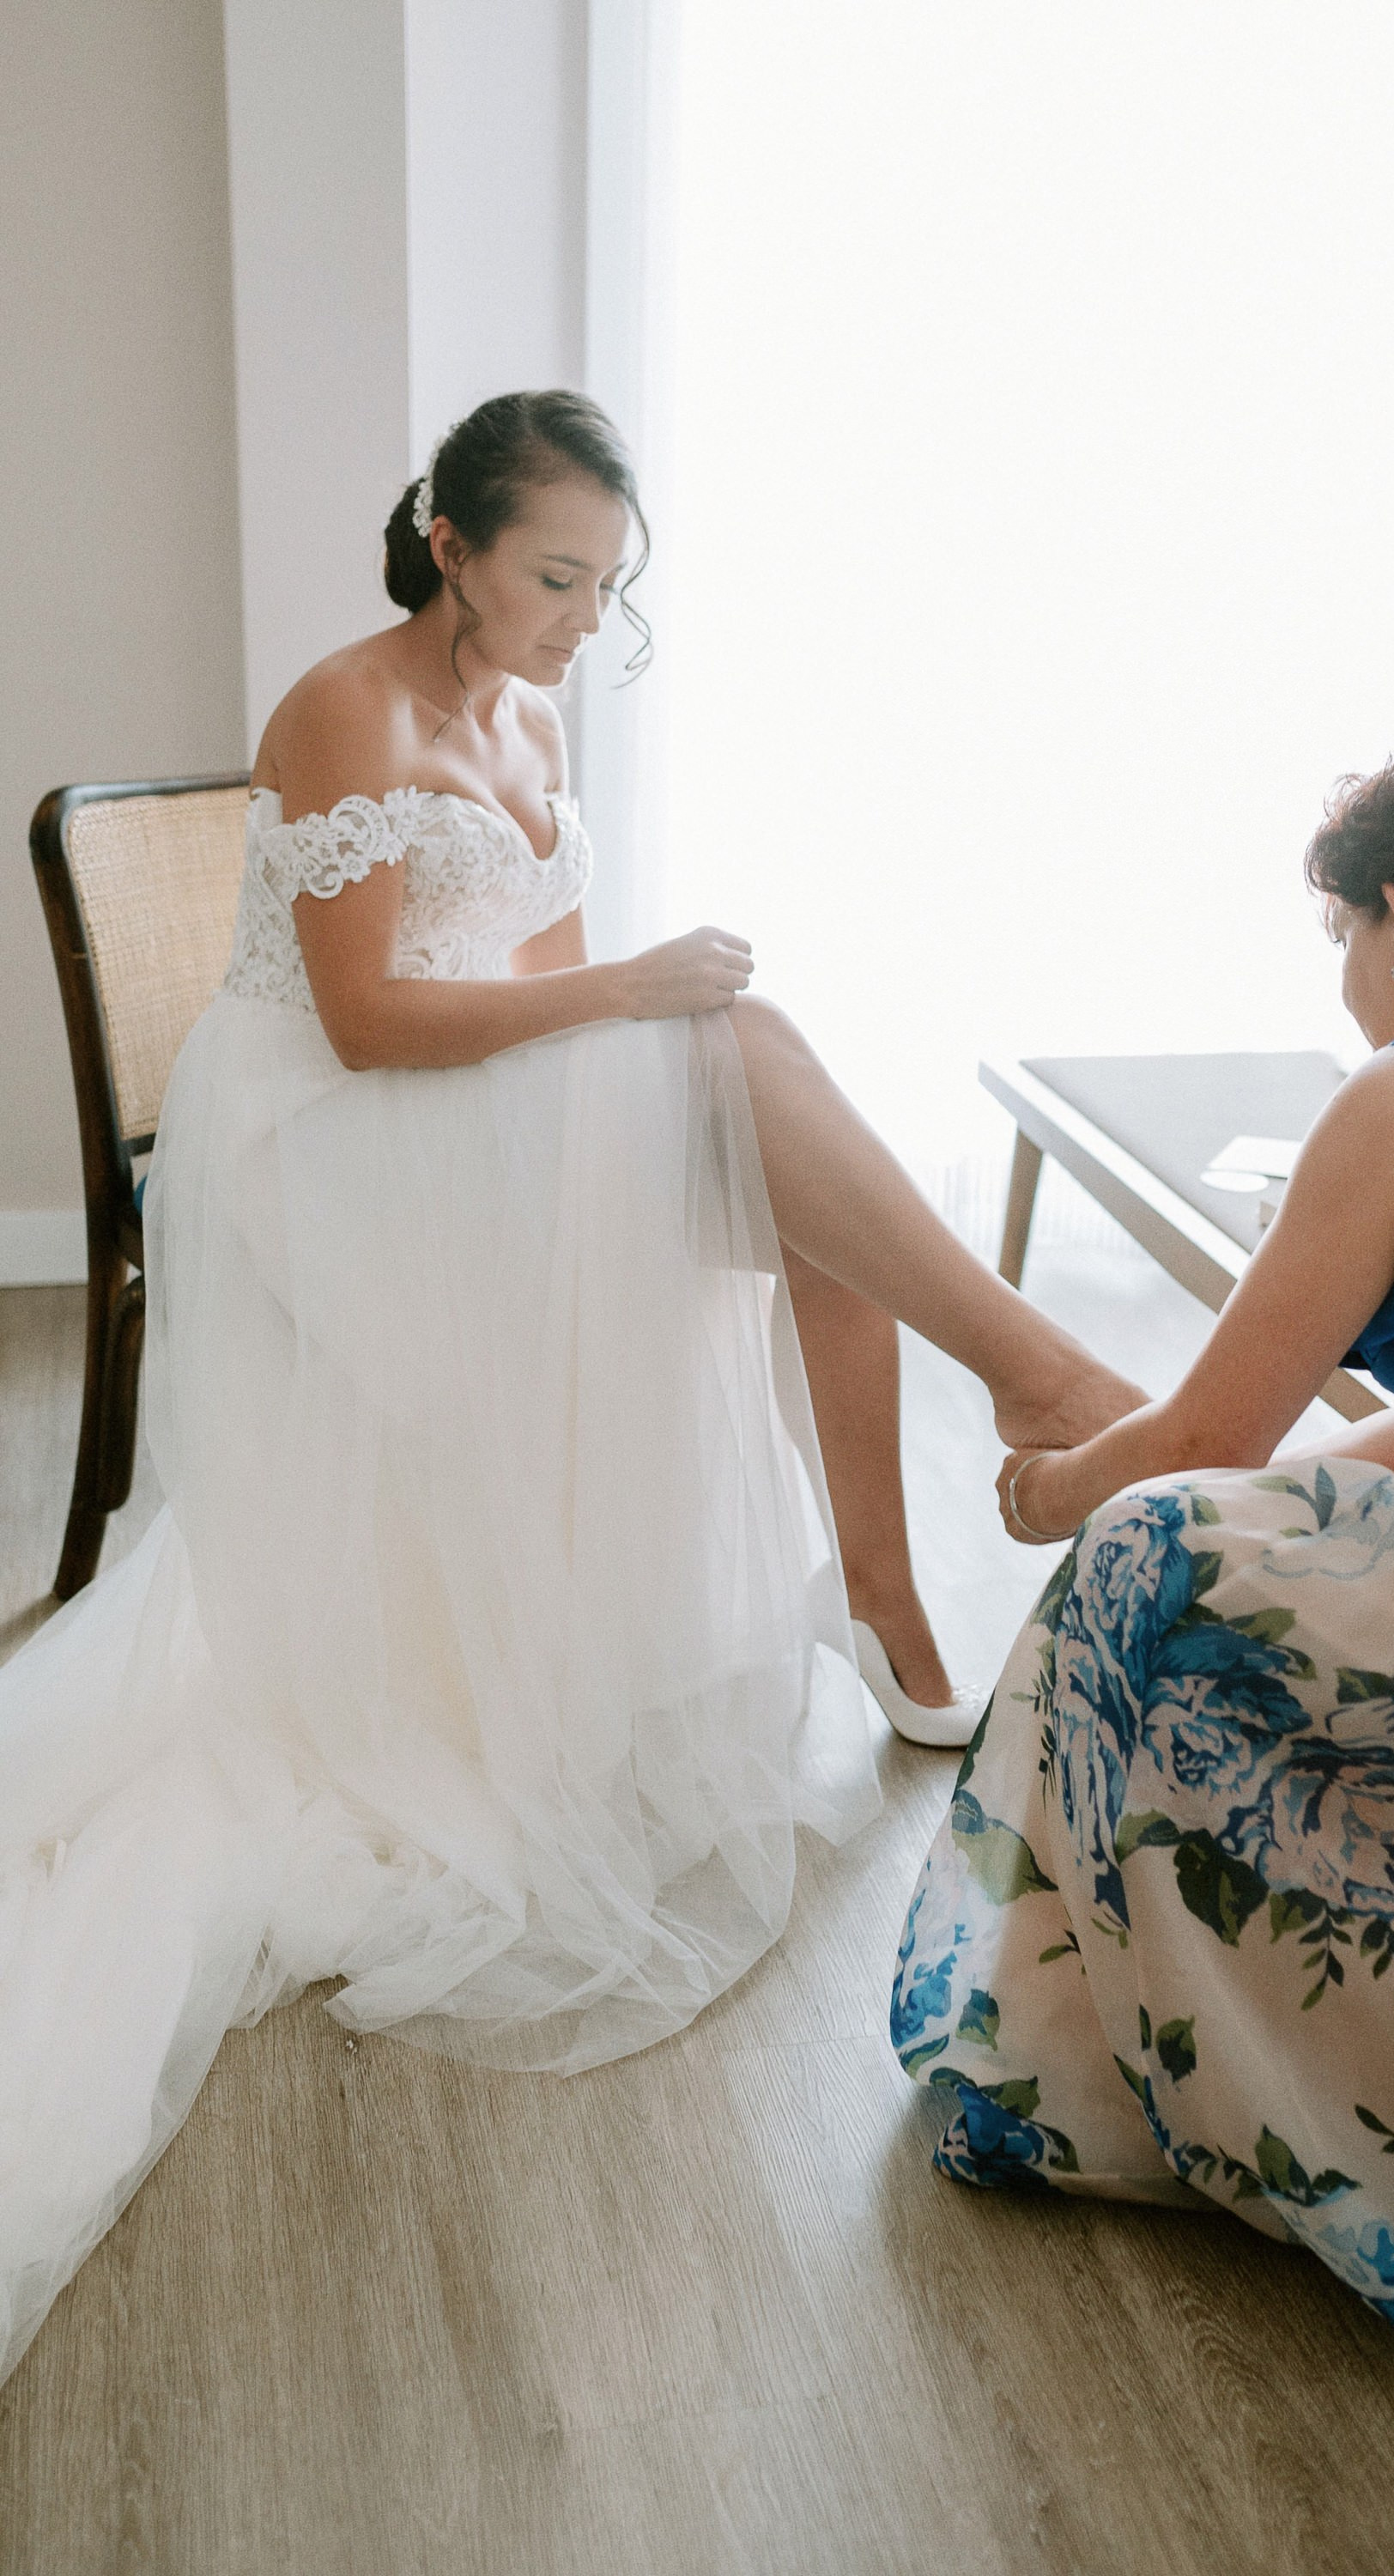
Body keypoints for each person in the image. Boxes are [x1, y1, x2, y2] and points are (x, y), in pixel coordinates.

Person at [0, 389, 1138, 2387]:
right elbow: (364, 1025)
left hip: (480, 1111)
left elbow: (568, 972)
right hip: (326, 1149)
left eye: (610, 590)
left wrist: (639, 1059)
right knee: (759, 1065)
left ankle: (890, 1589)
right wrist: (639, 1012)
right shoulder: (345, 709)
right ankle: (1044, 1384)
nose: (579, 622)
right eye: (552, 578)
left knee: (797, 1188)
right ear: (447, 538)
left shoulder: (533, 709)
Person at [893, 724, 1394, 2470]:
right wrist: (1289, 1496)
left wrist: (1054, 1489)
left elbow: (1208, 1427)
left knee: (1149, 1556)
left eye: (1342, 932)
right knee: (1254, 1523)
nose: (1348, 975)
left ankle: (1082, 2069)